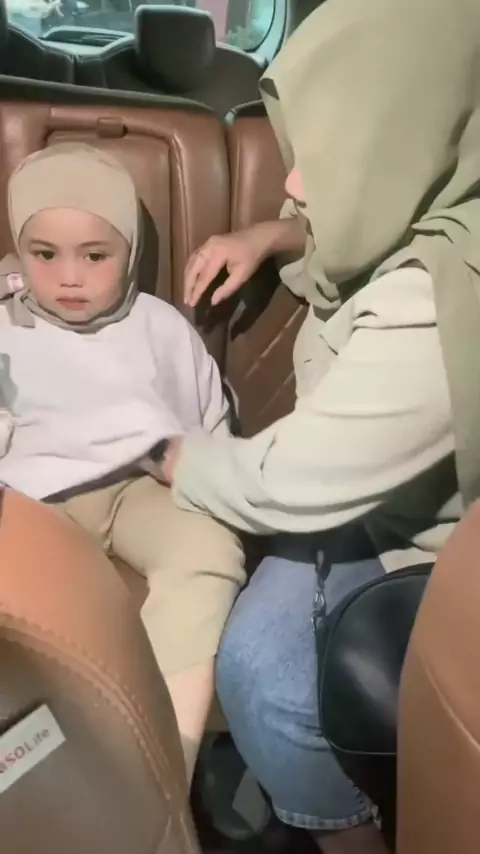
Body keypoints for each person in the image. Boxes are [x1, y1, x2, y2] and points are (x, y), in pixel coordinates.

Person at [155, 0, 480, 851]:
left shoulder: (446, 294)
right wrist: (277, 235)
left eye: (329, 151)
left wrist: (176, 457)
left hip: (419, 545)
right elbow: (380, 229)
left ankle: (348, 835)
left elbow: (290, 481)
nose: (294, 181)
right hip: (392, 505)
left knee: (265, 675)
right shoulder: (453, 189)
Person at [0, 142, 245, 785]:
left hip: (140, 489)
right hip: (37, 500)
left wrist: (210, 476)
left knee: (209, 550)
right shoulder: (5, 327)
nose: (69, 277)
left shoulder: (159, 326)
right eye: (44, 255)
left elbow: (204, 415)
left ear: (128, 252)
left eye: (94, 256)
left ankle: (162, 767)